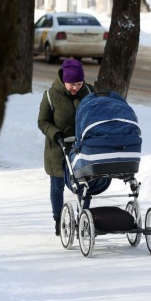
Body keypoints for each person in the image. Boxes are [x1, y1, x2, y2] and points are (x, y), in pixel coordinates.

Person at [38, 58, 94, 236]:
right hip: (57, 148)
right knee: (57, 185)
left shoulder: (89, 92)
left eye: (78, 83)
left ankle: (83, 218)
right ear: (64, 80)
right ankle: (58, 219)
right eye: (71, 84)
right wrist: (55, 133)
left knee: (83, 185)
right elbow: (42, 122)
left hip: (81, 147)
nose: (75, 87)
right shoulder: (50, 95)